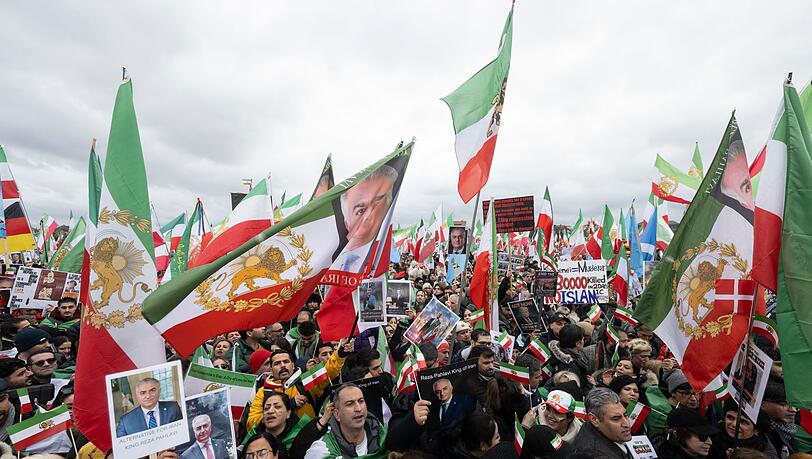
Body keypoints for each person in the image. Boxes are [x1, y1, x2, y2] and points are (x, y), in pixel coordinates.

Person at [247, 346, 345, 431]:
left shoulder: (306, 380)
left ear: (293, 365)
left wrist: (341, 353)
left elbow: (328, 370)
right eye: (277, 363)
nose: (282, 366)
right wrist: (289, 404)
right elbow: (252, 422)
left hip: (308, 440)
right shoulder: (264, 391)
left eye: (286, 362)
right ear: (271, 369)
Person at [333, 165, 398, 272]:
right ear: (347, 224)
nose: (371, 216)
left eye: (378, 205)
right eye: (361, 211)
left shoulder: (384, 255)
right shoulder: (340, 265)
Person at [304, 383, 387, 458]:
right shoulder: (321, 452)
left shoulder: (385, 438)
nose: (358, 408)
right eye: (350, 404)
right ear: (337, 414)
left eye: (361, 401)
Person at [573, 388, 633, 459]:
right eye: (616, 419)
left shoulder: (591, 427)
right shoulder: (597, 455)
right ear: (594, 420)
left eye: (625, 415)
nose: (627, 424)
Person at [709, 399, 778, 459]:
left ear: (757, 431)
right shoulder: (708, 439)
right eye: (730, 417)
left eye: (743, 422)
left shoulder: (766, 453)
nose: (734, 424)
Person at [116, 377, 182, 437]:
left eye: (152, 390)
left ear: (159, 391)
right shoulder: (125, 421)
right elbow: (121, 448)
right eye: (143, 393)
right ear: (137, 396)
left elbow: (182, 435)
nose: (148, 396)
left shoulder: (173, 408)